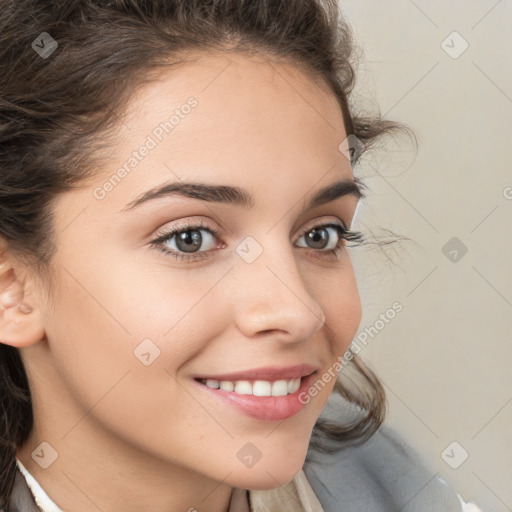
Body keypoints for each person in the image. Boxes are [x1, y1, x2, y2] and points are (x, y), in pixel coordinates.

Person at [0, 1, 483, 511]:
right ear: (12, 287)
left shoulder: (396, 490)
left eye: (320, 235)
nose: (298, 312)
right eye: (190, 239)